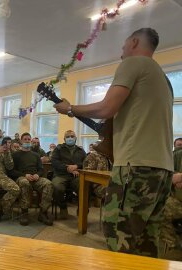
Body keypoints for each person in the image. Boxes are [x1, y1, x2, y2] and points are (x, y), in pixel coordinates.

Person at [54, 28, 173, 257]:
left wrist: (70, 108)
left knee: (118, 233)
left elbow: (107, 107)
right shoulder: (163, 79)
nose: (121, 53)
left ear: (134, 42)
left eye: (123, 47)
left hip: (135, 166)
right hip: (163, 170)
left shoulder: (134, 62)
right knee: (147, 240)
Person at [9, 132, 53, 226]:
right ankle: (24, 212)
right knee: (25, 183)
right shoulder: (16, 155)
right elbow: (12, 171)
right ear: (21, 141)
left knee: (48, 184)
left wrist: (38, 174)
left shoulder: (36, 155)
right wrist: (25, 175)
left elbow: (41, 169)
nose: (27, 141)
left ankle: (43, 213)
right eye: (25, 139)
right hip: (22, 177)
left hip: (35, 178)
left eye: (29, 139)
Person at [51, 130, 86, 219]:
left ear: (75, 138)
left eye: (72, 136)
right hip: (61, 175)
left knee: (84, 186)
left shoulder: (81, 150)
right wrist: (67, 168)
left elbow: (86, 163)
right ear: (64, 139)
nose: (70, 138)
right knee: (57, 187)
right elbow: (54, 162)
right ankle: (63, 207)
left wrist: (76, 166)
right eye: (68, 137)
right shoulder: (58, 149)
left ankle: (81, 208)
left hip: (76, 176)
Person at [159, 138, 182, 260]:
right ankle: (174, 246)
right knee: (161, 206)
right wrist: (175, 178)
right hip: (176, 201)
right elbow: (169, 177)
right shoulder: (177, 154)